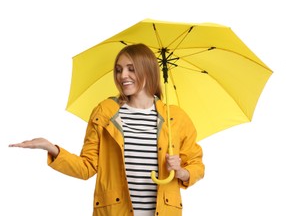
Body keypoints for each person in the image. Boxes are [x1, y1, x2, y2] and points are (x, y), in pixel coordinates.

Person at [10, 44, 205, 216]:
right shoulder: (105, 112)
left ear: (149, 71)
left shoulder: (176, 117)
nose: (123, 76)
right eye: (119, 70)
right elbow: (86, 167)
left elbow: (196, 165)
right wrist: (52, 148)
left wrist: (181, 172)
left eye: (131, 69)